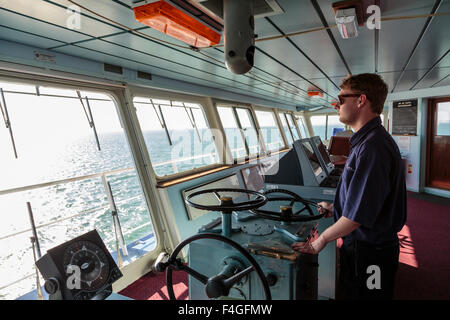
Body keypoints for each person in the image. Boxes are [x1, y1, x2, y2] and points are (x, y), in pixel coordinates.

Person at [292, 73, 407, 300]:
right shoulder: (367, 141)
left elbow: (358, 216)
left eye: (341, 99)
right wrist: (337, 209)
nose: (336, 105)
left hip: (371, 253)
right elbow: (368, 202)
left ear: (361, 100)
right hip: (363, 247)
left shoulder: (372, 148)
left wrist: (322, 239)